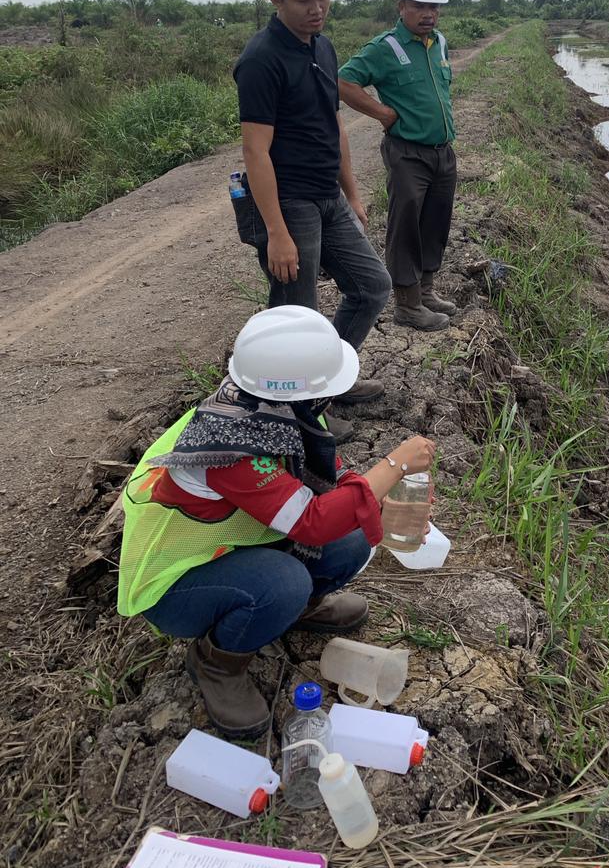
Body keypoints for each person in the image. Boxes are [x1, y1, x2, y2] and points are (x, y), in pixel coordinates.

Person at [116, 306, 436, 739]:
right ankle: (217, 663)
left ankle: (295, 611)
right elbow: (311, 521)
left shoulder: (279, 410)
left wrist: (380, 501)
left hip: (230, 547)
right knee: (285, 580)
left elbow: (333, 481)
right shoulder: (228, 447)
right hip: (175, 584)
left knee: (355, 532)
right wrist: (394, 465)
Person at [232, 0, 393, 428]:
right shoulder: (261, 59)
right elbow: (255, 151)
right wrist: (277, 231)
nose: (316, 8)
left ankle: (328, 379)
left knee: (371, 286)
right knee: (295, 314)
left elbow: (335, 124)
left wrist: (353, 192)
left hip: (328, 196)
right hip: (289, 202)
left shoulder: (323, 46)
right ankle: (295, 417)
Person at [338, 0, 457, 332]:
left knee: (435, 222)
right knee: (406, 223)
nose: (429, 14)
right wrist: (381, 113)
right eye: (420, 6)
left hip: (442, 151)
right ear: (401, 6)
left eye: (434, 7)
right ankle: (407, 304)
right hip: (408, 152)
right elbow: (344, 81)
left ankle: (426, 289)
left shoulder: (438, 42)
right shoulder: (385, 48)